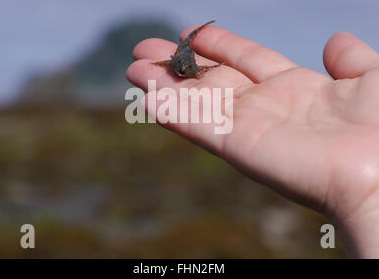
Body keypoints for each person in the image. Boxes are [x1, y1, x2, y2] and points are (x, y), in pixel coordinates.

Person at [127, 23, 379, 258]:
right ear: (173, 64)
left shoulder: (193, 67)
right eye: (178, 69)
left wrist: (367, 199)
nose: (182, 72)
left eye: (185, 70)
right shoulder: (178, 62)